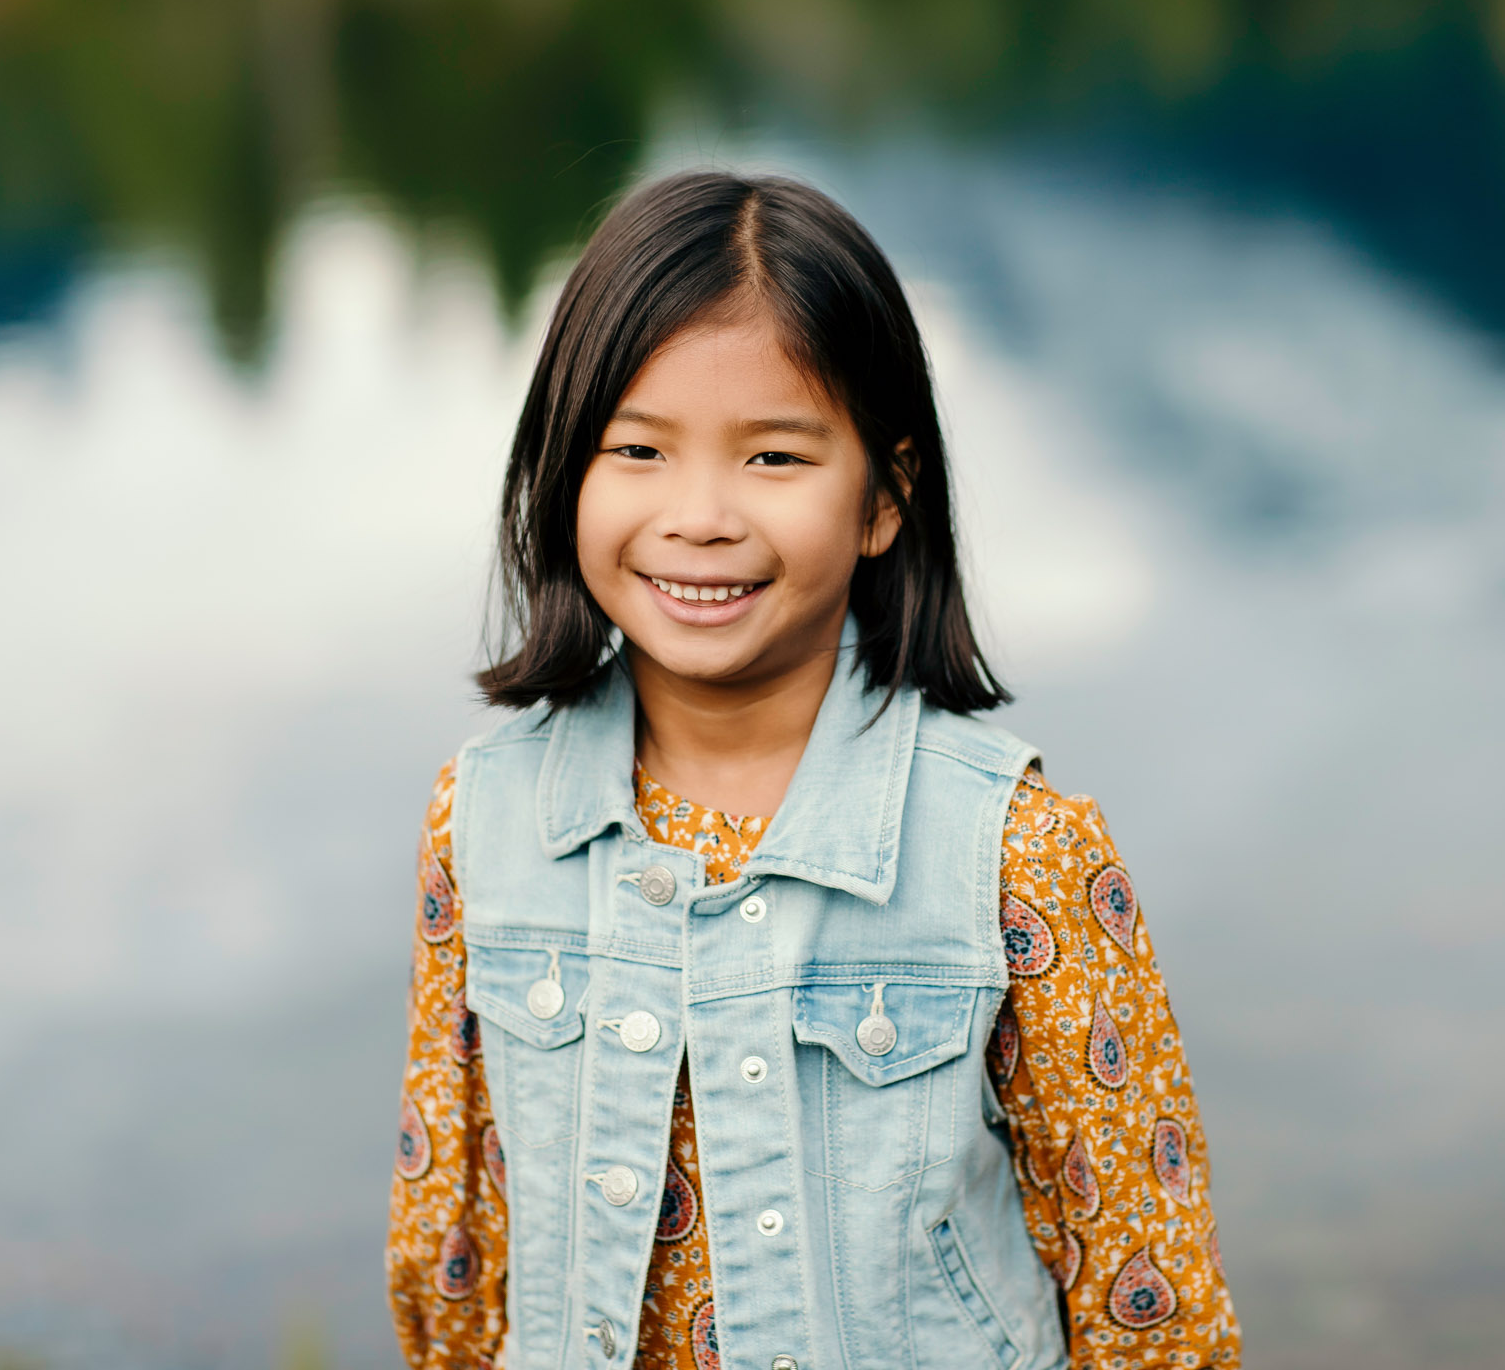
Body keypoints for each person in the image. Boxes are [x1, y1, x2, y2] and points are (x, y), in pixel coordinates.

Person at [386, 171, 1239, 1370]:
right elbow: (452, 1243)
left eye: (775, 459)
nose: (699, 515)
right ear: (560, 473)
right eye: (637, 448)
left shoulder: (1019, 852)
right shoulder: (486, 819)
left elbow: (1144, 1292)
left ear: (885, 498)